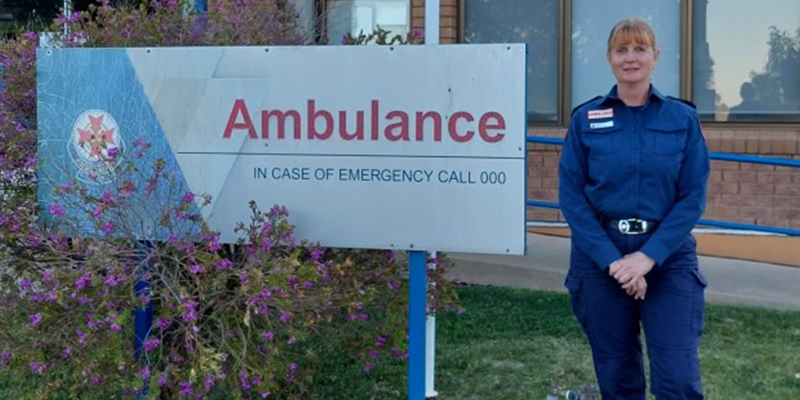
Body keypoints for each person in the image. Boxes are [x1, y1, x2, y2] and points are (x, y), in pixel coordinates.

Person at [559, 19, 710, 400]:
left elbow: (692, 196)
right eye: (621, 50)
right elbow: (573, 199)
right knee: (618, 379)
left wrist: (646, 257)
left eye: (639, 49)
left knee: (678, 380)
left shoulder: (682, 119)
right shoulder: (584, 120)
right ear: (609, 59)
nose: (631, 58)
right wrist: (615, 262)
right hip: (600, 260)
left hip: (668, 257)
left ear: (655, 57)